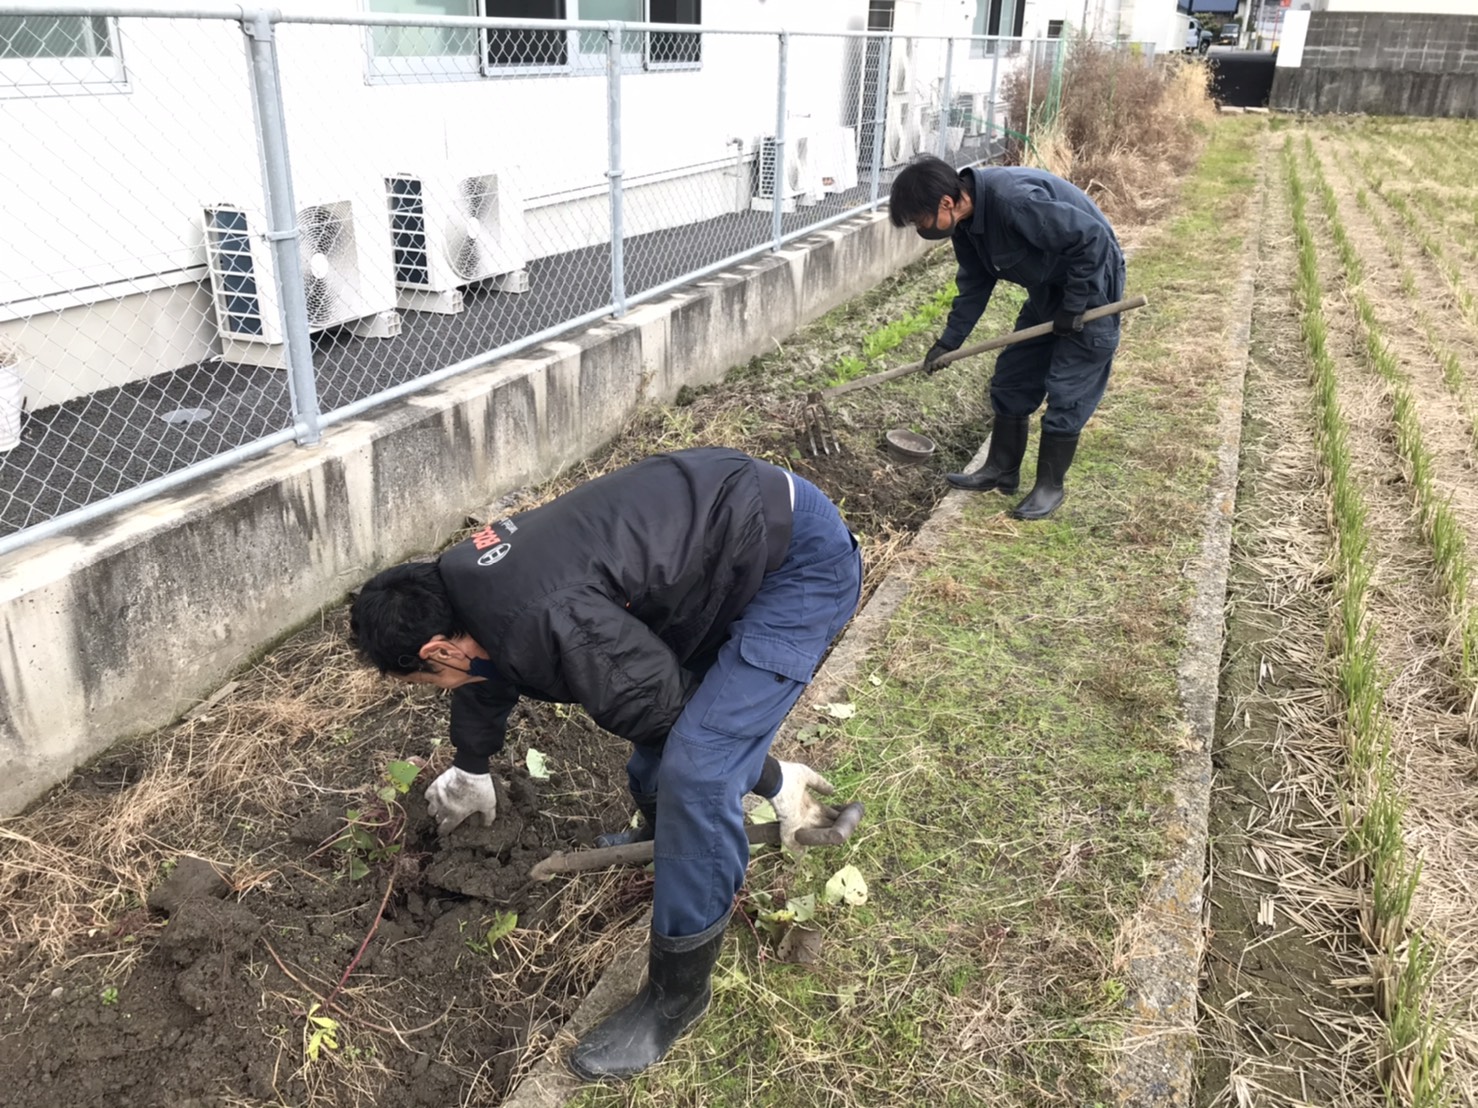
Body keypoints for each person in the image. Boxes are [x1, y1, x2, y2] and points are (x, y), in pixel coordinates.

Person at [349, 446, 862, 1080]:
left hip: (797, 565)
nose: (438, 687)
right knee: (671, 760)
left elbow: (664, 714)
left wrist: (769, 778)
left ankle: (675, 1001)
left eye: (424, 681)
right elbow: (487, 667)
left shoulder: (544, 613)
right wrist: (472, 764)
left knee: (695, 772)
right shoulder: (468, 583)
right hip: (714, 545)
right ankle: (663, 844)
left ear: (434, 650)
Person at [889, 155, 1126, 520]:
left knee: (1069, 385)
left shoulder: (1015, 202)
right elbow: (975, 282)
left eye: (920, 220)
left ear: (946, 202)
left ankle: (1050, 486)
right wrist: (950, 341)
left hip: (1091, 281)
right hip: (1048, 287)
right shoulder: (966, 224)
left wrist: (1075, 304)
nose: (920, 229)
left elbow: (1090, 239)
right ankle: (1001, 469)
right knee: (1014, 374)